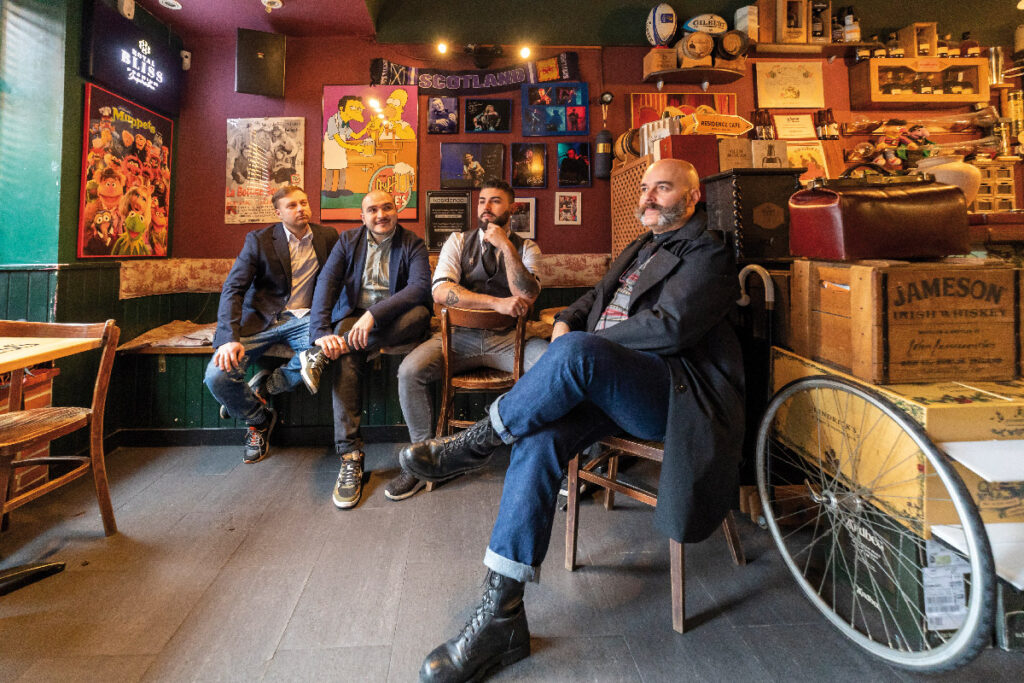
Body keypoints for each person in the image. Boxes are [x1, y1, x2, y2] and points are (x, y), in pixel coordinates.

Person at [399, 159, 745, 682]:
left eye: (663, 187)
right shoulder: (639, 248)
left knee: (577, 355)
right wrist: (565, 322)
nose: (649, 196)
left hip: (667, 392)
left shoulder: (710, 252)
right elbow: (591, 299)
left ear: (692, 199)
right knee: (537, 441)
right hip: (603, 382)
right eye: (646, 188)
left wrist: (583, 346)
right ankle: (502, 617)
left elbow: (671, 329)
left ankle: (475, 441)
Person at [387, 179, 548, 500]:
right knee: (409, 371)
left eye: (496, 201)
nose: (486, 207)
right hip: (457, 339)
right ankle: (421, 460)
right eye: (482, 201)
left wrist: (506, 246)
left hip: (510, 341)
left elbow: (527, 295)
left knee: (554, 368)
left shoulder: (528, 248)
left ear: (512, 208)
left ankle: (552, 458)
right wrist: (496, 303)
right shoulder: (457, 241)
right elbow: (441, 291)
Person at [299, 190, 432, 509]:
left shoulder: (412, 243)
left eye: (387, 207)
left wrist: (374, 315)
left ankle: (334, 350)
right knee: (345, 353)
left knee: (421, 314)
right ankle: (350, 457)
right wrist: (319, 333)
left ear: (396, 209)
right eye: (372, 210)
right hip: (354, 318)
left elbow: (418, 289)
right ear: (363, 216)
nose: (381, 215)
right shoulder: (348, 241)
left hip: (396, 319)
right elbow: (327, 285)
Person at [204, 186, 339, 464]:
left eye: (304, 202)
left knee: (324, 350)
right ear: (278, 213)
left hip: (306, 319)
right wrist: (229, 337)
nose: (300, 208)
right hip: (262, 320)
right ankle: (259, 418)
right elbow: (233, 288)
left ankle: (269, 385)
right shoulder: (259, 240)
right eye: (292, 205)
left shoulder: (327, 236)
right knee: (217, 376)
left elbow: (339, 281)